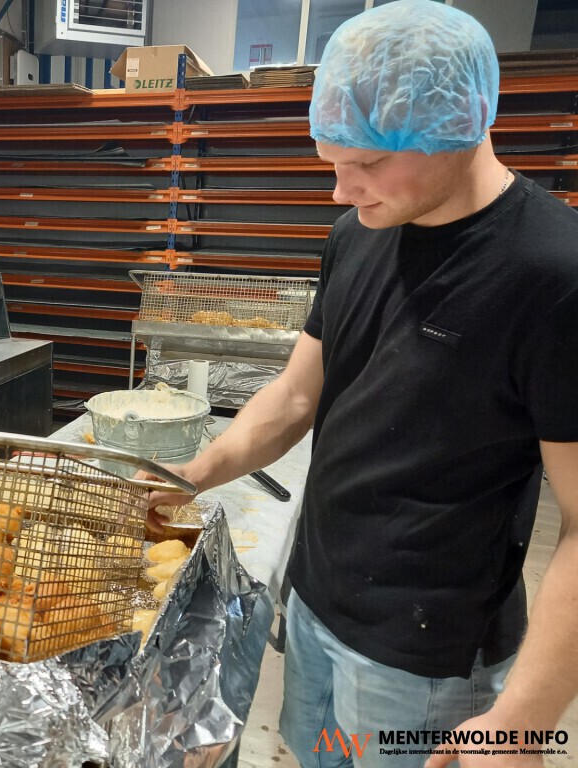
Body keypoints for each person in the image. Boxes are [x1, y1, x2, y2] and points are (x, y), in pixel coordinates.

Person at [146, 2, 578, 766]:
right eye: (333, 163)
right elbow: (298, 394)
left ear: (461, 123)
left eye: (368, 164)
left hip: (424, 658)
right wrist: (191, 474)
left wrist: (524, 715)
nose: (342, 191)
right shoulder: (360, 233)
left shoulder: (551, 275)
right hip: (316, 602)